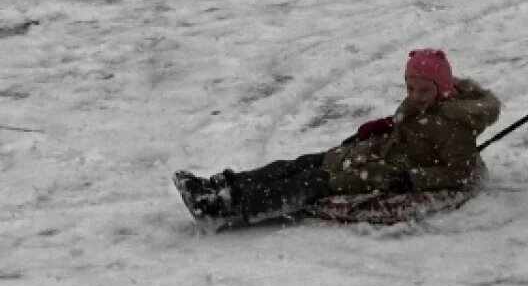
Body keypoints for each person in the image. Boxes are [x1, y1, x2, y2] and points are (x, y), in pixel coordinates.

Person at [173, 49, 501, 227]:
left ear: (442, 89)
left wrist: (409, 178)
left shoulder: (454, 126)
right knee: (302, 163)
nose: (416, 95)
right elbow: (415, 128)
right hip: (378, 152)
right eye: (411, 88)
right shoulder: (424, 106)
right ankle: (222, 185)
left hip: (387, 172)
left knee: (315, 181)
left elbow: (459, 172)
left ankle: (228, 207)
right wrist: (387, 125)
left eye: (424, 90)